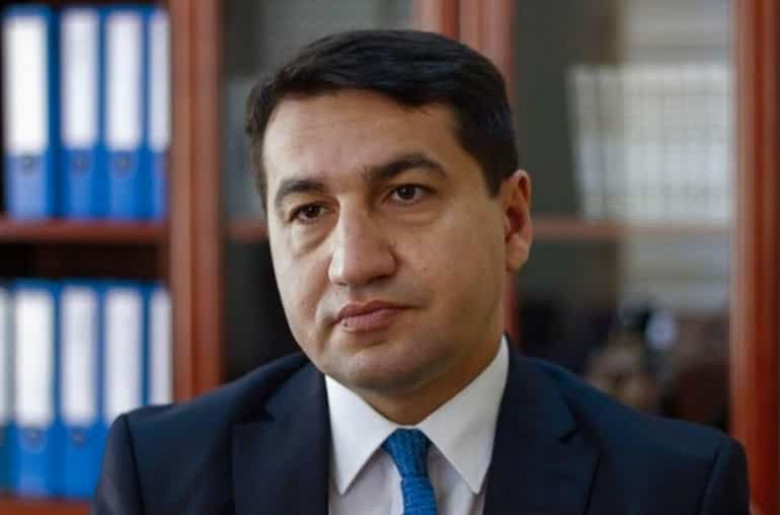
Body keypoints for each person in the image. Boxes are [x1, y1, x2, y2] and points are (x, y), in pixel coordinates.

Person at [93, 30, 749, 514]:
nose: (354, 264)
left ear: (513, 221)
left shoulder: (674, 487)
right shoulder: (161, 474)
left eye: (405, 194)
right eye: (309, 211)